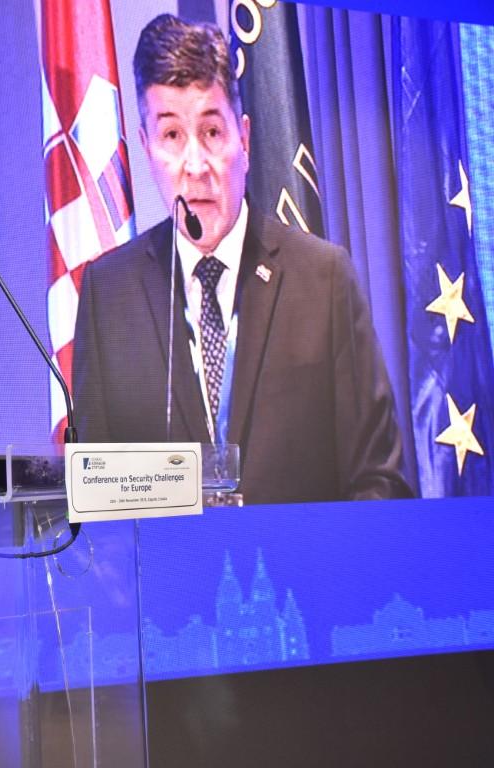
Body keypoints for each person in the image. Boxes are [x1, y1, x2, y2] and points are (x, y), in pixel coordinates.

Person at [72, 14, 411, 504]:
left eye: (212, 131)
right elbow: (94, 494)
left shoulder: (323, 280)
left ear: (244, 139)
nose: (195, 166)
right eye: (172, 136)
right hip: (171, 558)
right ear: (145, 148)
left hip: (301, 556)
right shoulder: (109, 294)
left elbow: (379, 482)